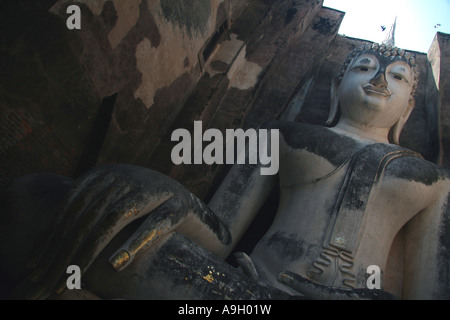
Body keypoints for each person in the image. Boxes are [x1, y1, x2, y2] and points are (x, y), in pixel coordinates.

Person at [1, 43, 449, 300]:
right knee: (41, 198)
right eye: (363, 68)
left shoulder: (431, 179)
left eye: (396, 77)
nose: (377, 80)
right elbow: (220, 236)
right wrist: (172, 197)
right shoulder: (285, 135)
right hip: (245, 298)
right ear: (336, 86)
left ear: (408, 108)